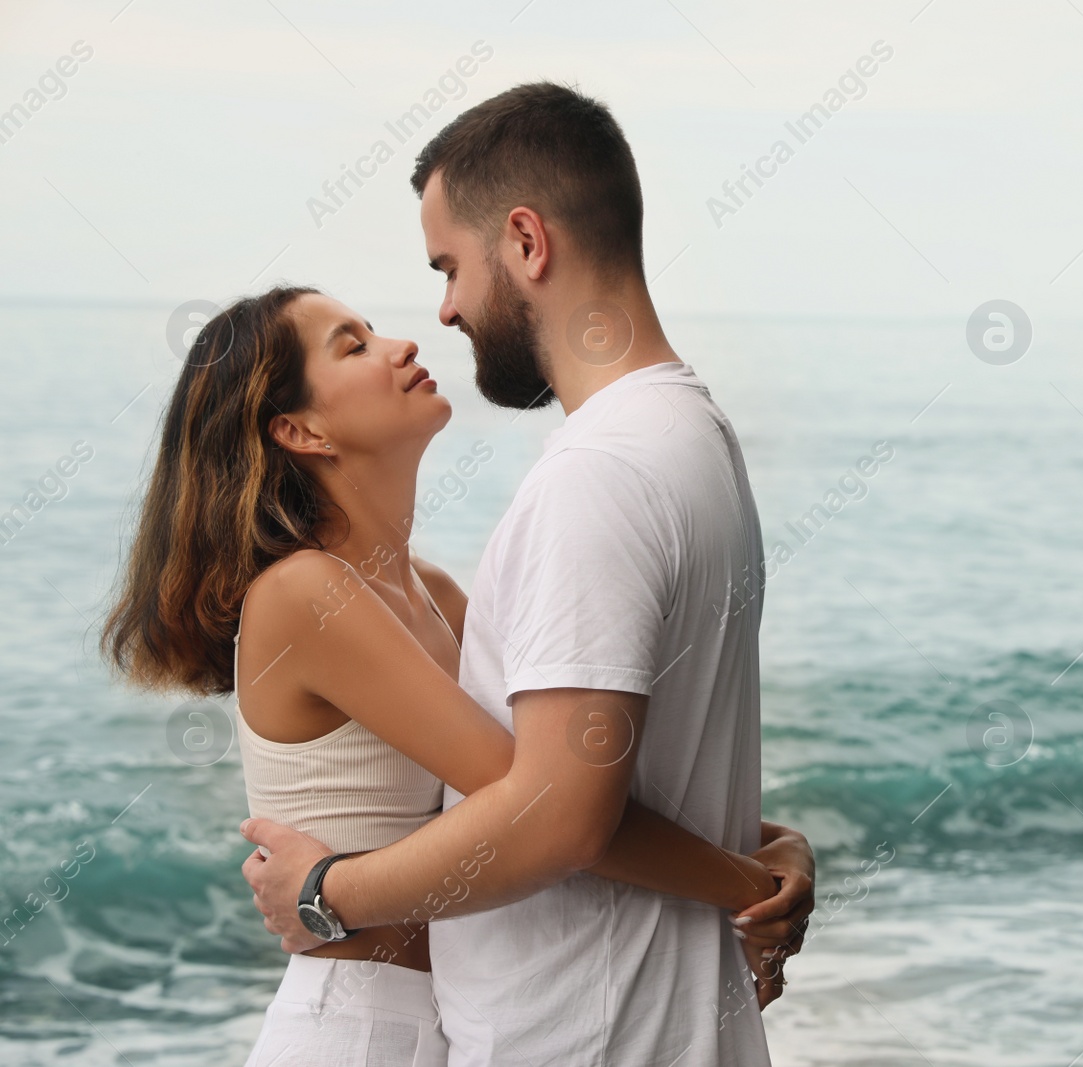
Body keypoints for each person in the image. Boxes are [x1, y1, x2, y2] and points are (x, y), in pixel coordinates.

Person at [237, 81, 806, 1066]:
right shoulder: (693, 442)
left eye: (450, 267)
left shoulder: (596, 475)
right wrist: (755, 861)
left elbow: (558, 806)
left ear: (527, 243)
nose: (441, 312)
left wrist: (325, 890)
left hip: (582, 1031)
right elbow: (570, 776)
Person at [101, 284, 812, 1067]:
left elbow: (570, 784)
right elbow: (542, 801)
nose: (400, 346)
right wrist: (747, 881)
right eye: (353, 345)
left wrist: (775, 845)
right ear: (299, 430)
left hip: (444, 1028)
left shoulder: (430, 593)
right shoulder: (303, 594)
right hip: (356, 1029)